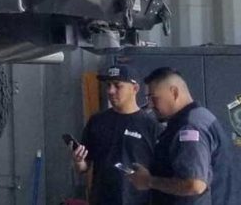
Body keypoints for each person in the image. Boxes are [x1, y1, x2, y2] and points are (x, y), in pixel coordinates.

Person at [128, 67, 239, 205]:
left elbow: (194, 185)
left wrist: (148, 181)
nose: (150, 105)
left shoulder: (190, 126)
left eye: (153, 98)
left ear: (174, 92)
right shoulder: (199, 117)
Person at [70, 64, 160, 205]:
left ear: (135, 89)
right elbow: (84, 167)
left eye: (118, 86)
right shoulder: (96, 121)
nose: (111, 91)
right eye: (108, 85)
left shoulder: (151, 126)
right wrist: (78, 161)